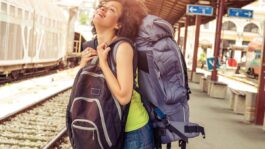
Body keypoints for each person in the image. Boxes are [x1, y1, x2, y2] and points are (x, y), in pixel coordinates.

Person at [80, 0, 154, 148]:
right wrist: (83, 66)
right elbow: (83, 91)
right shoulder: (93, 47)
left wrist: (103, 63)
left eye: (111, 10)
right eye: (103, 7)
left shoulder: (123, 47)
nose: (103, 9)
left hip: (133, 131)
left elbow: (123, 97)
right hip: (107, 125)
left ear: (118, 25)